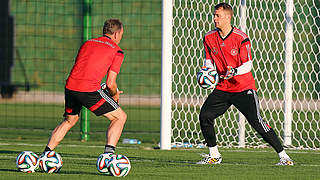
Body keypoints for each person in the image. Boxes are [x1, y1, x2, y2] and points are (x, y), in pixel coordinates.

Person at [197, 3, 294, 166]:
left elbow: (248, 64)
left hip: (243, 87)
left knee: (257, 121)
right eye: (214, 15)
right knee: (205, 115)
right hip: (222, 87)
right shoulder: (208, 37)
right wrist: (206, 72)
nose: (214, 18)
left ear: (228, 17)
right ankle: (214, 155)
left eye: (217, 16)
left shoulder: (241, 37)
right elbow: (208, 61)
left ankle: (284, 157)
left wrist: (234, 71)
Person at [42, 18, 127, 155]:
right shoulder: (117, 51)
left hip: (70, 86)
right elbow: (111, 83)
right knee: (120, 117)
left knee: (70, 120)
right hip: (88, 90)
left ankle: (46, 154)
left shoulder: (87, 43)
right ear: (116, 34)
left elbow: (83, 68)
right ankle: (108, 156)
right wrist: (115, 94)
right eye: (121, 35)